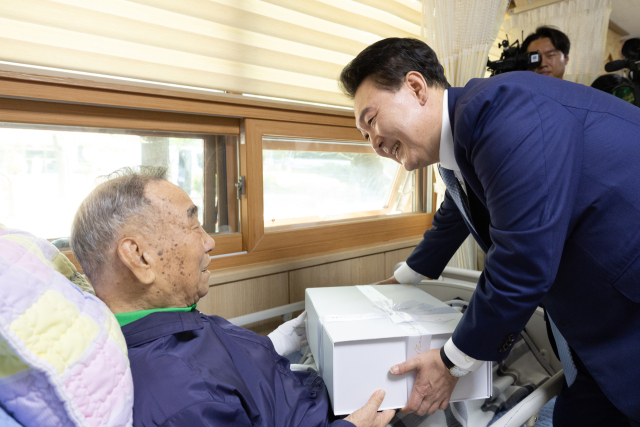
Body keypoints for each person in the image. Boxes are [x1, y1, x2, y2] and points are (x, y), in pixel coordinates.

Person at [339, 37, 640, 426]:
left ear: (415, 88)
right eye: (364, 136)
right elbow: (457, 212)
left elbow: (523, 259)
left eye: (371, 120)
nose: (374, 143)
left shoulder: (502, 110)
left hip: (626, 298)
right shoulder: (460, 146)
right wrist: (404, 278)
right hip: (597, 308)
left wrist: (451, 362)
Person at [69, 167, 394, 427]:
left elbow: (227, 372)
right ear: (140, 258)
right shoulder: (184, 402)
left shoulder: (165, 323)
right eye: (192, 225)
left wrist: (275, 343)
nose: (209, 242)